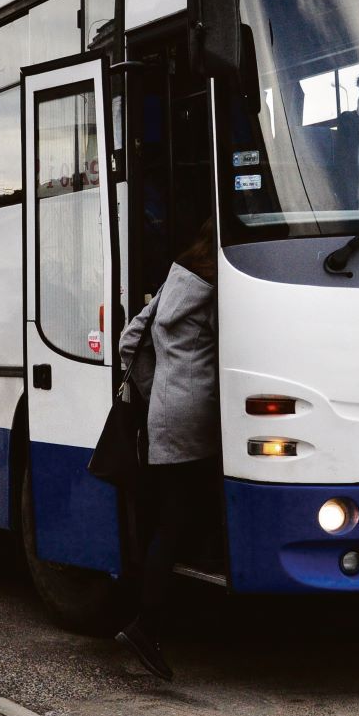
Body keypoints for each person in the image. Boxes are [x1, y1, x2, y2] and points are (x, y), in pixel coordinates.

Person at [114, 222, 220, 682]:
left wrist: (157, 391)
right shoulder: (219, 284)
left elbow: (128, 341)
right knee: (177, 521)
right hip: (198, 412)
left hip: (166, 411)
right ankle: (147, 625)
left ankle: (158, 619)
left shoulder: (176, 278)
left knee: (172, 518)